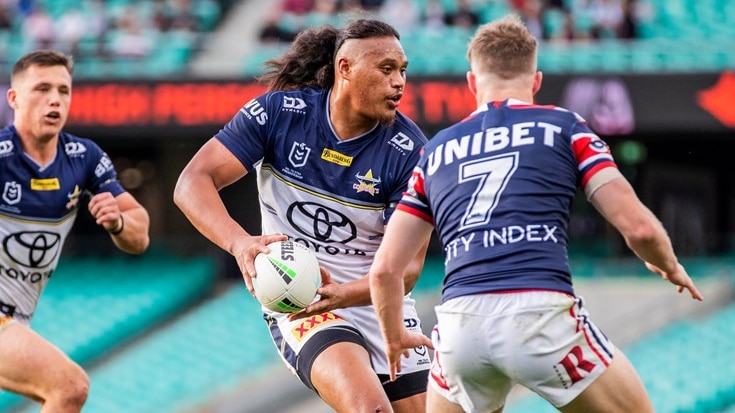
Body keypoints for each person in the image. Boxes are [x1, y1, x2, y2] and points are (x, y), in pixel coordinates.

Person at [369, 14, 704, 413]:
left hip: (461, 327)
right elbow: (638, 227)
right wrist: (668, 265)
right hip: (540, 316)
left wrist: (392, 338)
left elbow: (385, 271)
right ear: (537, 81)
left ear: (472, 83)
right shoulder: (565, 126)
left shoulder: (435, 150)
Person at [174, 18, 431, 413]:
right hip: (302, 303)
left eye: (403, 71)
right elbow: (193, 182)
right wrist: (240, 242)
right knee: (370, 409)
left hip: (378, 301)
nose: (399, 82)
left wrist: (344, 294)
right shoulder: (279, 114)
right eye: (386, 69)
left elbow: (408, 270)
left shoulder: (410, 151)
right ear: (345, 68)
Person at [0, 50, 150, 412]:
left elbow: (140, 234)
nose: (54, 99)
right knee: (69, 386)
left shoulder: (84, 157)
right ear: (14, 99)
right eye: (42, 88)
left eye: (63, 91)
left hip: (16, 316)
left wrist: (117, 222)